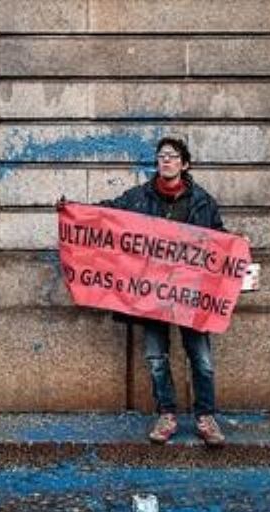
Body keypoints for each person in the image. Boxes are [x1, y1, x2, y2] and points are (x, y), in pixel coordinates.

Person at [97, 136, 228, 446]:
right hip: (151, 293)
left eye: (171, 156)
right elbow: (108, 213)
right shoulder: (139, 197)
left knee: (202, 359)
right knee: (156, 357)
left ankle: (205, 418)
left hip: (191, 294)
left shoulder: (202, 201)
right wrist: (73, 210)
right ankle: (166, 415)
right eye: (160, 156)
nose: (165, 160)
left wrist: (236, 246)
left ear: (184, 164)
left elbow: (219, 238)